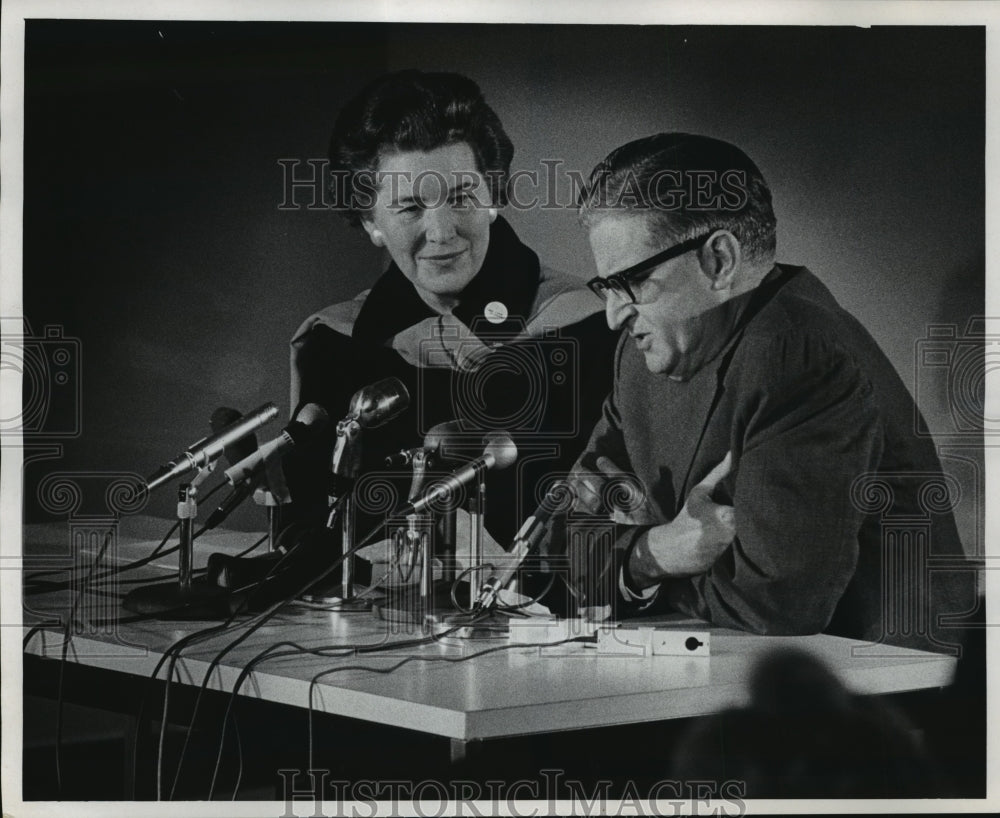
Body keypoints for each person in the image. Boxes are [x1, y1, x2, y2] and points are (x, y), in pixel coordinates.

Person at [560, 132, 974, 650]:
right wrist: (662, 551)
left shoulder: (800, 357)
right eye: (606, 287)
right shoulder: (639, 361)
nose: (613, 315)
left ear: (719, 261)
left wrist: (635, 557)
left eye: (632, 282)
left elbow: (774, 608)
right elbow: (569, 553)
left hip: (873, 699)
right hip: (727, 681)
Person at [283, 70, 616, 594]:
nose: (441, 233)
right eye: (409, 207)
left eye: (461, 198)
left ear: (495, 196)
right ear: (370, 222)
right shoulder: (335, 343)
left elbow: (604, 536)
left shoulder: (587, 329)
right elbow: (317, 523)